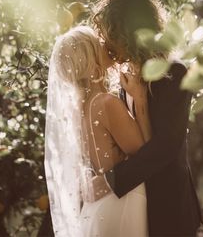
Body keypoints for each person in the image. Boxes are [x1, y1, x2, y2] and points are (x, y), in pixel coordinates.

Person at [91, 0, 203, 236]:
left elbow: (166, 146)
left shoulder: (175, 73)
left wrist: (111, 181)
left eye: (111, 35)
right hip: (135, 203)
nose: (107, 44)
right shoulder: (125, 77)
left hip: (169, 203)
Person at [45, 25, 152, 237]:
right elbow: (146, 153)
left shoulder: (78, 109)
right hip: (123, 200)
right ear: (90, 59)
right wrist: (140, 99)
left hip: (97, 207)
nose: (106, 46)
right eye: (99, 45)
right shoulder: (106, 103)